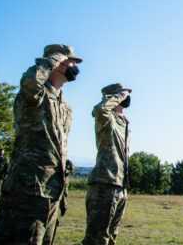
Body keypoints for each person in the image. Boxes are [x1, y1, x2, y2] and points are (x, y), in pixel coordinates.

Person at [0, 44, 82, 245]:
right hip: (28, 193)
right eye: (71, 60)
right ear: (57, 62)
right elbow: (31, 82)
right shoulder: (35, 95)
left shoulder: (65, 106)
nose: (75, 65)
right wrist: (50, 61)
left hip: (52, 194)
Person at [82, 83, 132, 245]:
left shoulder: (124, 122)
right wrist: (116, 97)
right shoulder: (106, 117)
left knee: (111, 236)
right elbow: (100, 109)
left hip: (120, 185)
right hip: (105, 183)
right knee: (96, 238)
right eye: (123, 95)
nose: (126, 97)